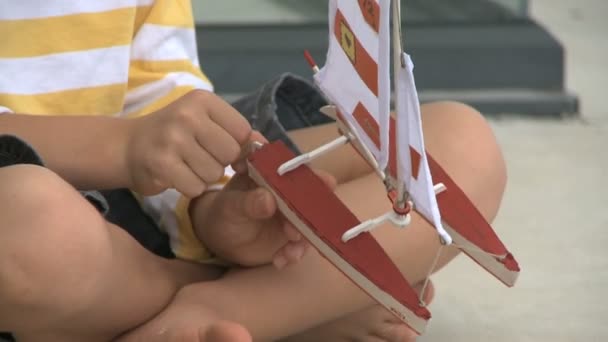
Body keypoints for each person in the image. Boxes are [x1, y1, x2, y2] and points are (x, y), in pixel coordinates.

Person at [0, 1, 507, 341]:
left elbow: (160, 87)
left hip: (135, 211)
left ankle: (225, 310)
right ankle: (289, 310)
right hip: (38, 218)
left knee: (461, 147)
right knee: (31, 226)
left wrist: (210, 208)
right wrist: (122, 145)